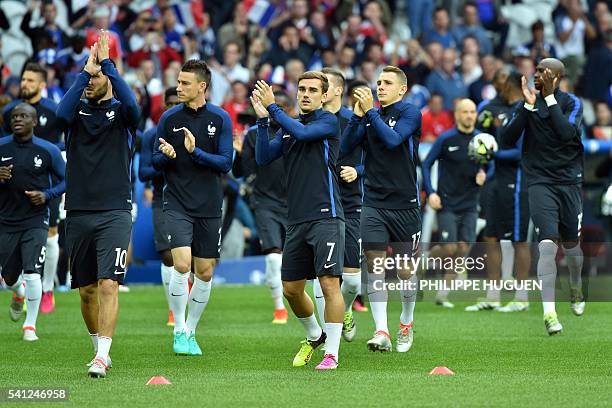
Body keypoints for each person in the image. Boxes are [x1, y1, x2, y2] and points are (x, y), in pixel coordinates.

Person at [56, 32, 140, 377]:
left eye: (96, 78)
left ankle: (103, 355)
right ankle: (98, 348)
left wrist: (107, 65)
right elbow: (59, 115)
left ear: (110, 77)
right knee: (87, 290)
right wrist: (85, 71)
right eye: (87, 78)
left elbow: (134, 106)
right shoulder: (74, 115)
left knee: (108, 283)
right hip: (78, 210)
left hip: (115, 211)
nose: (91, 82)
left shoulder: (122, 116)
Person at [252, 73, 345, 370]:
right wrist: (264, 121)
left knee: (329, 284)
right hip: (296, 220)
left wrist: (274, 110)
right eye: (302, 89)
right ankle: (315, 334)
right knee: (291, 289)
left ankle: (332, 353)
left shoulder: (328, 121)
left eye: (312, 90)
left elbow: (304, 135)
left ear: (324, 95)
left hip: (326, 217)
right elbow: (265, 157)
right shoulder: (290, 126)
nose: (305, 94)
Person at [152, 60, 233, 356]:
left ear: (202, 86)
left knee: (205, 272)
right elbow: (153, 162)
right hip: (176, 202)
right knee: (182, 264)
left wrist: (194, 151)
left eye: (185, 83)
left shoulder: (221, 118)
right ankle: (178, 329)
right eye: (178, 81)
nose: (178, 87)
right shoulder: (169, 119)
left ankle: (191, 331)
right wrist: (167, 155)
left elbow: (226, 163)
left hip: (209, 205)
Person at [341, 66, 422, 353]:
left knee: (404, 271)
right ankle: (381, 330)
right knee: (374, 266)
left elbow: (392, 140)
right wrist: (357, 116)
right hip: (373, 203)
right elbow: (345, 148)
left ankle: (405, 322)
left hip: (405, 205)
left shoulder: (410, 113)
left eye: (387, 83)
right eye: (378, 82)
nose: (380, 87)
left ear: (402, 89)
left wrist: (370, 113)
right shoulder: (368, 117)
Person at [501, 58, 585, 335]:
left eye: (542, 71)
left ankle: (575, 283)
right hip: (539, 182)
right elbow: (506, 138)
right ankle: (549, 312)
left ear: (557, 76)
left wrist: (548, 99)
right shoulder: (528, 103)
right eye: (536, 70)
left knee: (571, 245)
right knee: (547, 243)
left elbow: (566, 133)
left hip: (569, 181)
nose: (536, 75)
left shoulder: (571, 103)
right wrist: (526, 106)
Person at [0, 103, 65, 341]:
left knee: (32, 270)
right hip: (6, 219)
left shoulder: (48, 150)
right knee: (9, 278)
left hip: (36, 218)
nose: (18, 119)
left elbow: (67, 179)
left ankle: (30, 326)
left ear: (34, 122)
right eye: (15, 116)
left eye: (24, 116)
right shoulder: (1, 146)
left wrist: (46, 195)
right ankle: (18, 295)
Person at [469, 72, 532, 312]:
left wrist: (492, 154)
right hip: (497, 182)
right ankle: (492, 295)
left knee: (518, 240)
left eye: (504, 85)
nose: (500, 90)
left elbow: (521, 152)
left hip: (516, 183)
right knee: (491, 237)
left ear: (510, 86)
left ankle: (522, 297)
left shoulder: (523, 111)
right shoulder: (504, 112)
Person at [2, 62, 62, 314]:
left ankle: (47, 289)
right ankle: (19, 286)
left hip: (45, 182)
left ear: (42, 85)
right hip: (13, 188)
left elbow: (62, 143)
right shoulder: (9, 112)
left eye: (30, 80)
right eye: (23, 79)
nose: (24, 84)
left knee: (50, 235)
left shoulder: (54, 111)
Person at [233, 90, 292, 324]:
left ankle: (298, 301)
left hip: (295, 203)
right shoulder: (254, 135)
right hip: (265, 202)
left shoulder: (298, 132)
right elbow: (242, 172)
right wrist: (238, 155)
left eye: (282, 107)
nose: (278, 112)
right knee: (272, 257)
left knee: (298, 261)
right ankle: (279, 308)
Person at [422, 99, 486, 309]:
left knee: (463, 247)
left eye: (473, 112)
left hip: (470, 203)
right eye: (465, 112)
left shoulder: (481, 140)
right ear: (457, 115)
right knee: (449, 247)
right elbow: (426, 163)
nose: (469, 115)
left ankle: (442, 293)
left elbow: (490, 165)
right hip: (447, 202)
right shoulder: (446, 139)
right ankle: (424, 261)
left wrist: (484, 174)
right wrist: (431, 192)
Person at [317, 67, 363, 342]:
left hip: (349, 202)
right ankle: (327, 336)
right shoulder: (310, 121)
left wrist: (358, 170)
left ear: (337, 90)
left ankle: (343, 310)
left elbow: (376, 158)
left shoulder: (352, 120)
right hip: (319, 205)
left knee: (353, 280)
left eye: (323, 84)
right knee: (322, 277)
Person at [138, 87, 180, 327]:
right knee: (167, 254)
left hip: (192, 198)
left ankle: (187, 297)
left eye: (178, 102)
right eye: (170, 103)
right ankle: (173, 310)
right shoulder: (152, 135)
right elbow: (144, 172)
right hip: (162, 198)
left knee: (193, 260)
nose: (173, 107)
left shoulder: (195, 130)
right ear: (164, 105)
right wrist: (167, 159)